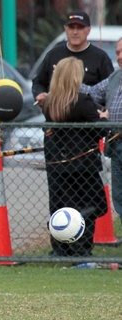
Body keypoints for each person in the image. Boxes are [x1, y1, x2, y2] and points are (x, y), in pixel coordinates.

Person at [42, 57, 109, 257]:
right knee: (96, 204)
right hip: (84, 165)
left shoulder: (49, 104)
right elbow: (99, 132)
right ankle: (81, 248)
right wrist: (103, 119)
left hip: (58, 167)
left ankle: (62, 248)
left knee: (62, 205)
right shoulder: (82, 101)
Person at [32, 10, 114, 106]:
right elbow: (38, 82)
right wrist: (40, 94)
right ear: (65, 29)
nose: (75, 32)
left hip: (90, 117)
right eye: (71, 27)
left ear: (88, 30)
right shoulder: (53, 55)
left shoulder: (101, 58)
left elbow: (111, 89)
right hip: (56, 117)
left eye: (80, 27)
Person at [81, 37, 122, 222]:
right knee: (119, 196)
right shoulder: (115, 77)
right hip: (116, 144)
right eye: (118, 52)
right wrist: (67, 80)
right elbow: (92, 92)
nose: (119, 57)